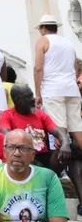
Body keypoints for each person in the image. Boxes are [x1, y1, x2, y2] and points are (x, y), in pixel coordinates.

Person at [0, 129, 78, 222]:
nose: (17, 153)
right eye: (11, 147)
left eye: (24, 148)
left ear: (33, 155)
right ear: (4, 152)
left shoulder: (48, 177)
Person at [34, 14, 82, 148]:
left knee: (59, 131)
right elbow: (76, 66)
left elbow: (38, 68)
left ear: (43, 28)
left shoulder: (42, 41)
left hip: (53, 90)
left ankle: (61, 167)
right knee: (78, 128)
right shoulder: (67, 42)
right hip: (71, 89)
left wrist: (38, 94)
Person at [0, 84, 72, 167]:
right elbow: (7, 137)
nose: (33, 99)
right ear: (18, 100)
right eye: (29, 97)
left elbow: (57, 131)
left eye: (32, 96)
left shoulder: (40, 114)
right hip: (22, 158)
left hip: (43, 157)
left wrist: (65, 143)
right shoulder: (6, 115)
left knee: (73, 152)